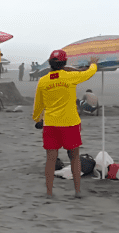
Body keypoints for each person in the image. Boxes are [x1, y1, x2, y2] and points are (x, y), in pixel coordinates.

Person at [33, 50, 99, 199]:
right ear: (64, 63)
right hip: (70, 123)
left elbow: (38, 105)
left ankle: (49, 193)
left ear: (50, 63)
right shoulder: (70, 77)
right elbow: (88, 73)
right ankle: (77, 191)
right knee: (74, 157)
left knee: (50, 159)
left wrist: (37, 119)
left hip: (50, 124)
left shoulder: (43, 81)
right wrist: (93, 64)